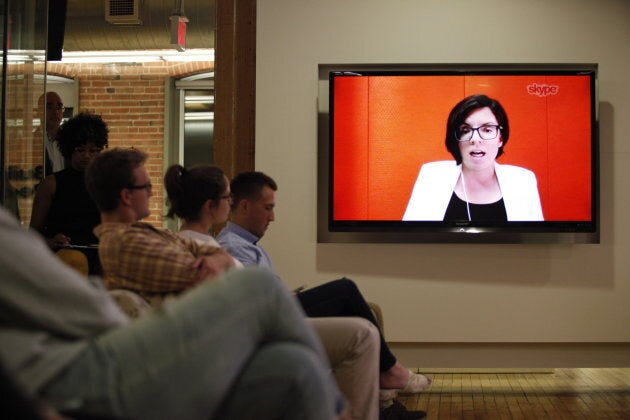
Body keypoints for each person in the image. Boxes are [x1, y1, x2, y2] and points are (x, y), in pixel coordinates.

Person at [0, 205, 344, 420]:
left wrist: (218, 261)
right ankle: (346, 411)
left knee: (294, 368)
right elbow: (79, 308)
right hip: (68, 373)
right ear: (126, 195)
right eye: (144, 187)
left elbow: (210, 260)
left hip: (71, 361)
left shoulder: (157, 233)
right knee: (259, 288)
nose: (152, 193)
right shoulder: (123, 241)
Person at [163, 163, 382, 420]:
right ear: (211, 205)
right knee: (358, 327)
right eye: (227, 197)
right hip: (256, 335)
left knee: (357, 319)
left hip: (262, 323)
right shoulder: (209, 250)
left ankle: (364, 397)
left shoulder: (204, 245)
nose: (231, 202)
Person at [215, 172, 433, 396]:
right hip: (271, 323)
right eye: (268, 208)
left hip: (278, 313)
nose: (272, 218)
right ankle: (392, 372)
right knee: (344, 291)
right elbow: (252, 303)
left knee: (352, 306)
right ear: (244, 207)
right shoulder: (233, 247)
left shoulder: (247, 245)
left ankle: (381, 376)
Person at [403, 94, 544, 222]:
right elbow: (410, 239)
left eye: (487, 129)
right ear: (456, 140)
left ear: (500, 138)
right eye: (465, 130)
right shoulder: (432, 176)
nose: (475, 139)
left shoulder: (522, 180)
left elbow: (535, 243)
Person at [30, 112, 108, 274]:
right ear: (69, 150)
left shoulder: (107, 183)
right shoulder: (51, 184)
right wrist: (51, 241)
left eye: (93, 150)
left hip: (100, 258)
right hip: (64, 260)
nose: (86, 156)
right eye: (80, 150)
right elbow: (33, 232)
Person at [36, 91, 66, 175]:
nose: (55, 112)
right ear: (38, 111)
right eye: (49, 107)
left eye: (59, 107)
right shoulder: (30, 142)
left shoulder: (70, 140)